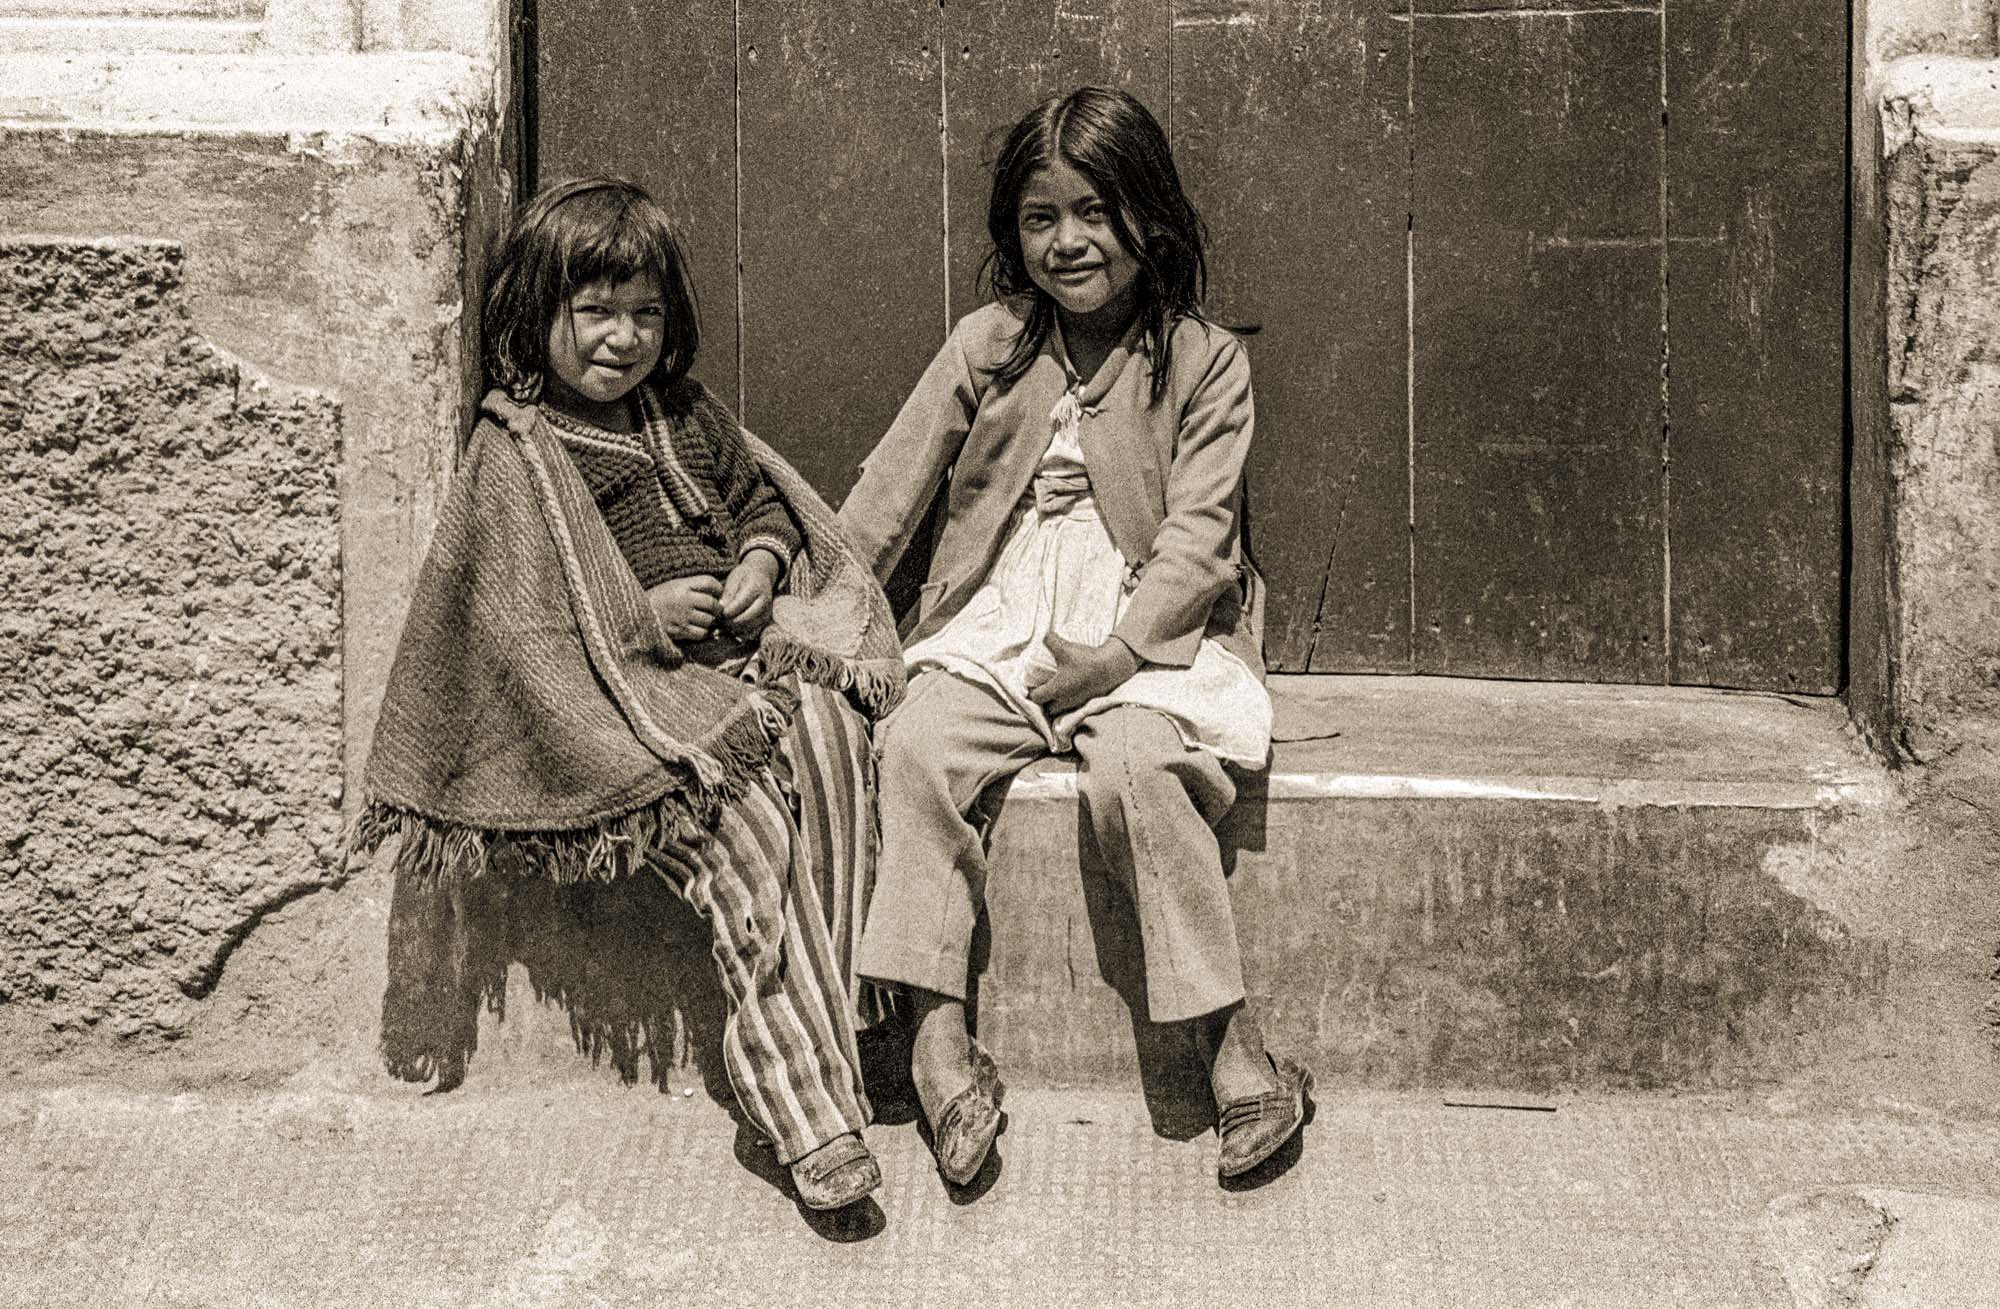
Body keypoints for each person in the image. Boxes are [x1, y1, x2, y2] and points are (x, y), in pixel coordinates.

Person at [357, 177, 907, 1212]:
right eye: (594, 312)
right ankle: (806, 1110)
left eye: (644, 313)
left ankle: (847, 1036)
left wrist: (757, 559)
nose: (622, 338)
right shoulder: (519, 450)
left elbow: (759, 500)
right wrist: (640, 615)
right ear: (536, 313)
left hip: (734, 676)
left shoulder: (686, 412)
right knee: (748, 840)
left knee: (836, 748)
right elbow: (524, 618)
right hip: (629, 717)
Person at [839, 86, 1312, 1189]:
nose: (1068, 242)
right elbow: (885, 495)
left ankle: (1229, 1041)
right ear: (1012, 233)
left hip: (1145, 632)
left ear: (1149, 216)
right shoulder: (989, 347)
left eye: (1094, 213)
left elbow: (1199, 541)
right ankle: (937, 1040)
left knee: (1139, 776)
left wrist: (1117, 656)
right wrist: (823, 605)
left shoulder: (1200, 362)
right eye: (1040, 218)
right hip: (1000, 621)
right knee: (912, 752)